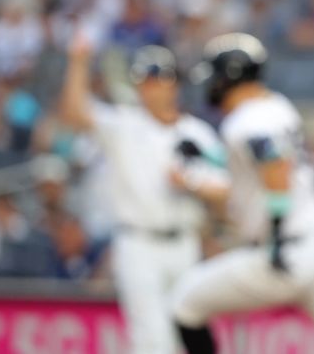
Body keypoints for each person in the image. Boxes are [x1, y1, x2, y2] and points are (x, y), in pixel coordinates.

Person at [171, 33, 314, 354]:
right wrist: (208, 159)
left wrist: (277, 231)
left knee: (185, 302)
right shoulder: (275, 104)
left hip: (284, 252)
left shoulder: (244, 121)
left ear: (229, 76)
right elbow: (255, 167)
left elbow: (275, 166)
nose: (212, 84)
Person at [60, 35, 230, 354]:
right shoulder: (124, 125)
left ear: (174, 85)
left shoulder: (197, 134)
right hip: (137, 244)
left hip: (185, 243)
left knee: (190, 333)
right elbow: (74, 113)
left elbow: (224, 192)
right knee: (152, 341)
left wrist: (192, 184)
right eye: (145, 81)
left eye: (158, 80)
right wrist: (79, 62)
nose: (150, 87)